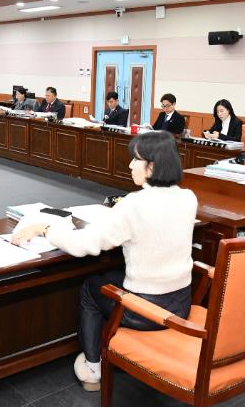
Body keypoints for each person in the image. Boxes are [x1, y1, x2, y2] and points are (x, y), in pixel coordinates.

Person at [12, 131, 196, 391]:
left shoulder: (134, 204)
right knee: (110, 276)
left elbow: (82, 245)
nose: (130, 165)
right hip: (180, 305)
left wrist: (45, 229)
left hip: (145, 313)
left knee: (91, 287)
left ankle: (92, 369)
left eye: (136, 159)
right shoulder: (188, 197)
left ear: (153, 165)